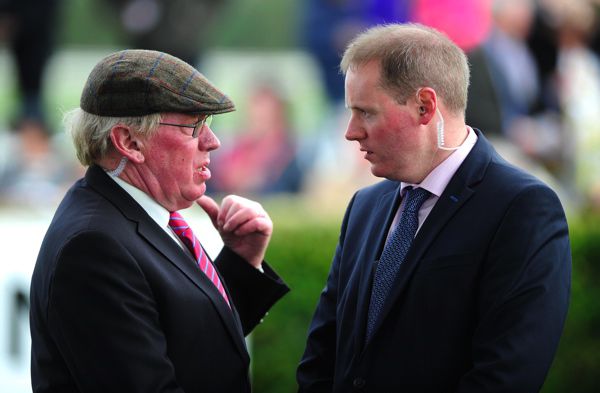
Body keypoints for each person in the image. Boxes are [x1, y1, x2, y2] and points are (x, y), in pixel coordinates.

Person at [297, 23, 571, 392]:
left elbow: (506, 375)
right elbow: (322, 358)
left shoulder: (521, 208)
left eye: (366, 113)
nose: (351, 131)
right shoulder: (365, 207)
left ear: (425, 106)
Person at [29, 49, 290, 393]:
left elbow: (189, 343)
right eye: (194, 126)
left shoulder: (129, 211)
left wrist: (240, 262)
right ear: (129, 141)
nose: (213, 142)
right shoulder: (94, 246)